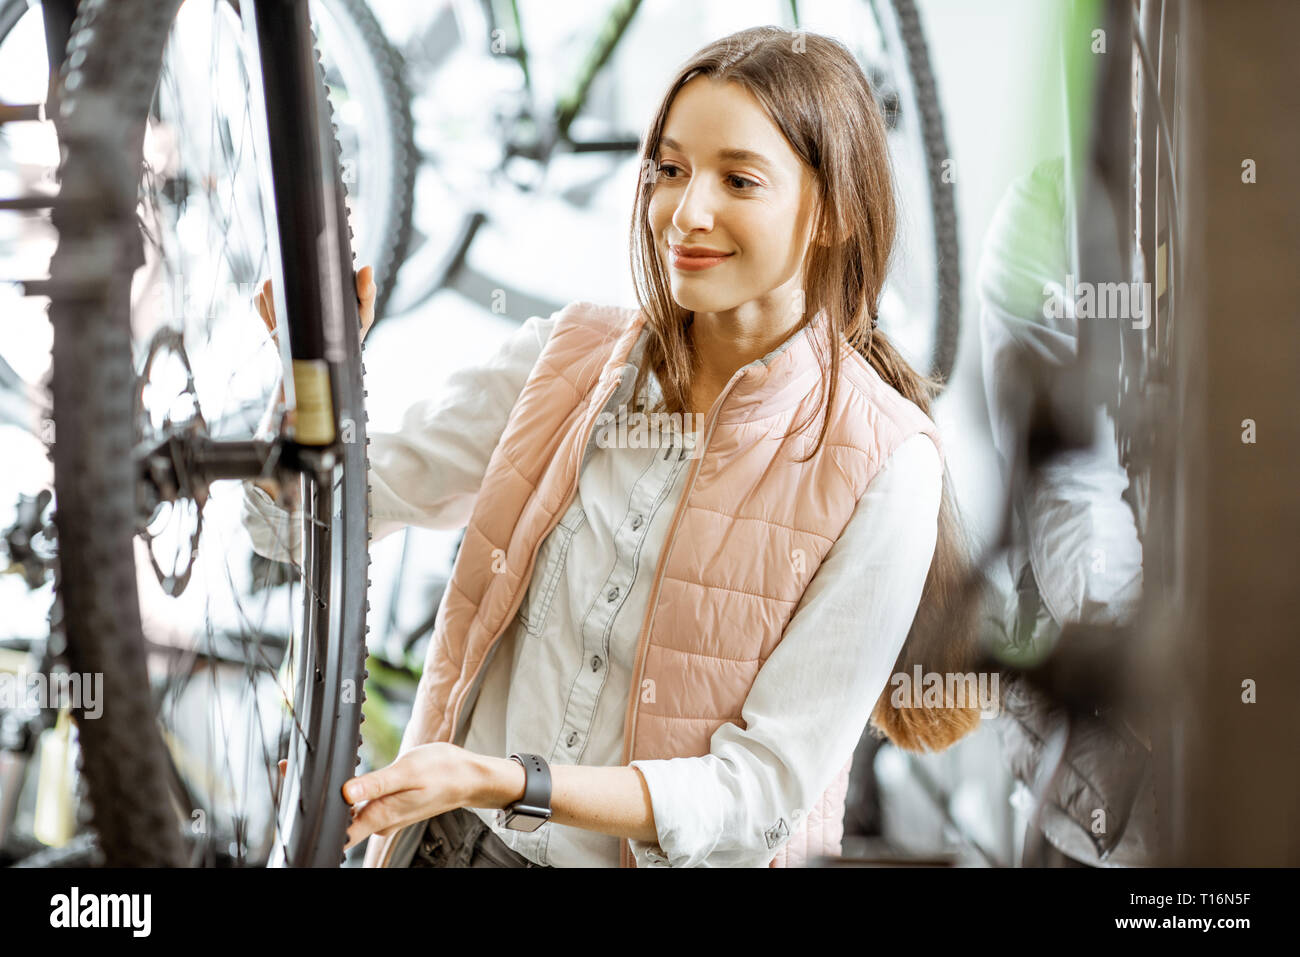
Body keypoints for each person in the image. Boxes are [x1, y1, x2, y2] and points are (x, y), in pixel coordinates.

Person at [243, 26, 981, 869]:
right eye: (670, 170)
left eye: (739, 179)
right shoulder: (569, 358)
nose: (686, 211)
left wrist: (503, 780)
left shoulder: (887, 463)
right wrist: (313, 371)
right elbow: (302, 522)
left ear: (833, 213)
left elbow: (759, 794)